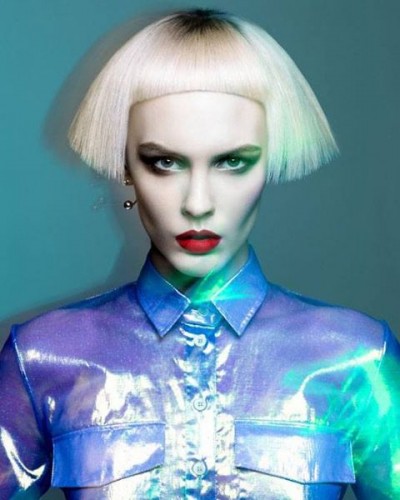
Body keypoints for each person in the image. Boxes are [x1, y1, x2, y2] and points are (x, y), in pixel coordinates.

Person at [0, 8, 399, 499]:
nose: (197, 203)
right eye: (164, 162)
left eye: (232, 161)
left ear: (268, 163)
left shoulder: (357, 357)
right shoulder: (43, 356)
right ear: (127, 167)